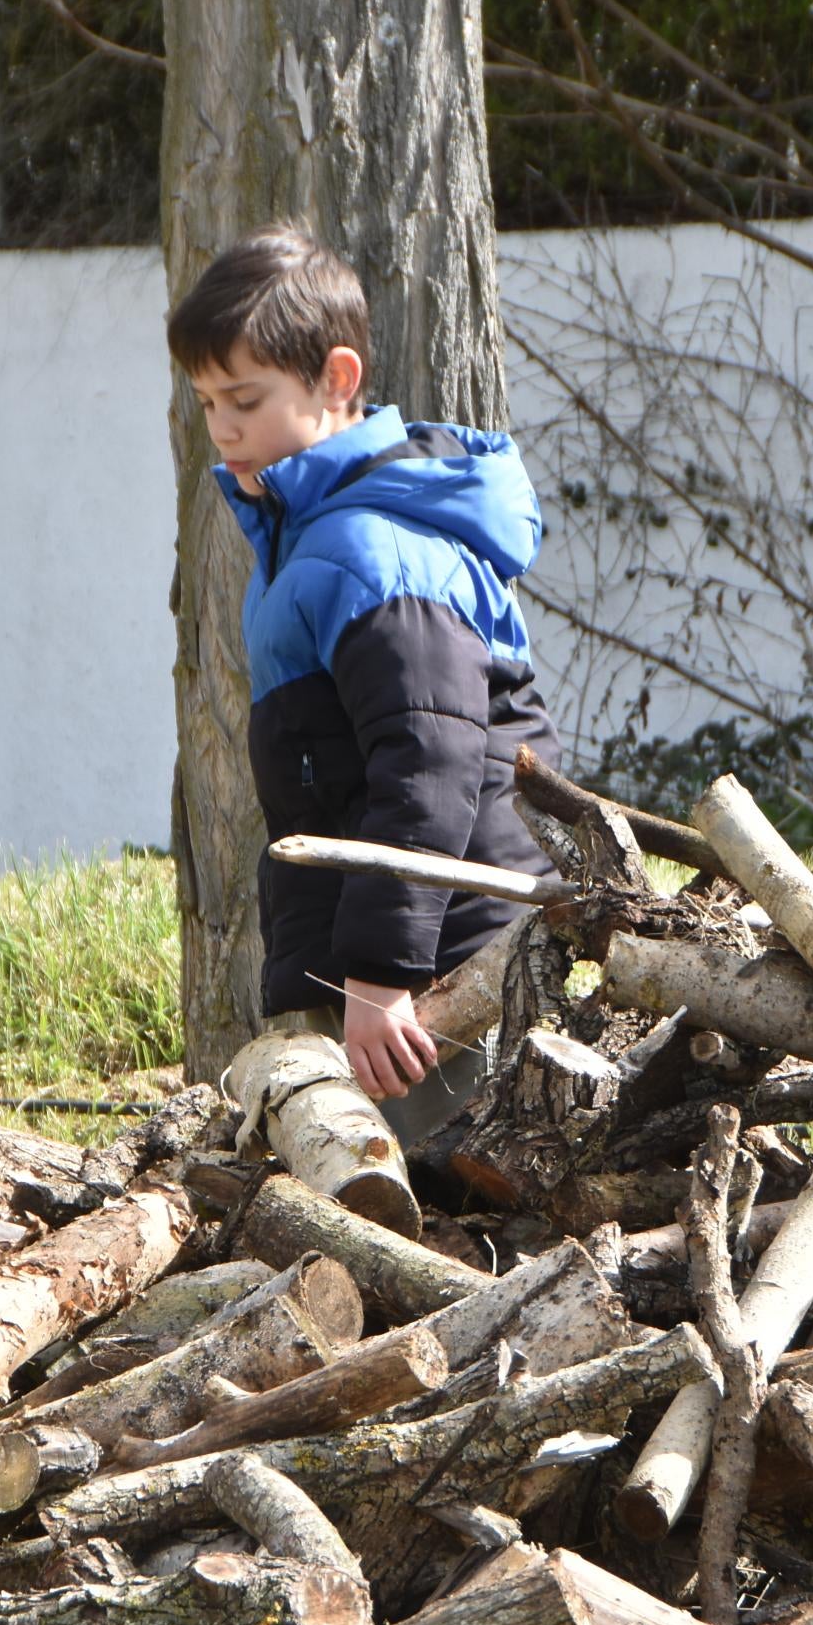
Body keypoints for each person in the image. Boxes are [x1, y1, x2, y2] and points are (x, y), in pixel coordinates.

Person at [168, 222, 561, 1141]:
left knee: (452, 1209)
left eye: (245, 399)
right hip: (397, 963)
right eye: (206, 403)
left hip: (450, 968)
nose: (223, 427)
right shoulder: (310, 537)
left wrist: (383, 972)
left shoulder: (372, 550)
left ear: (336, 380)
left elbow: (430, 764)